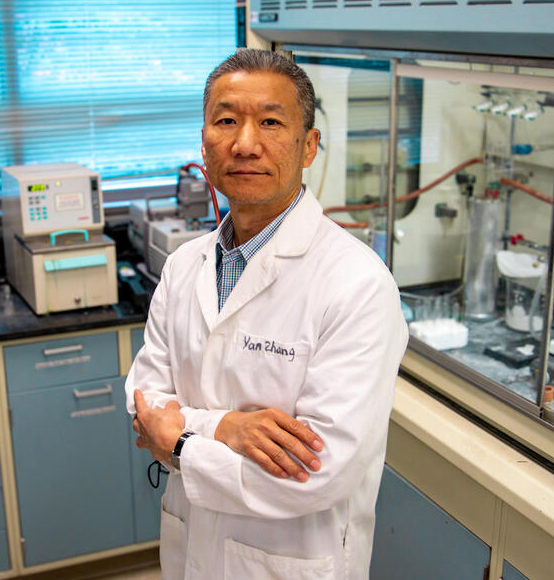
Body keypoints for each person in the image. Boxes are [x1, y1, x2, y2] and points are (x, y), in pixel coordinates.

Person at [126, 48, 408, 580]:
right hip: (191, 550)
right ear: (204, 143)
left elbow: (318, 470)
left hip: (290, 563)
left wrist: (182, 441)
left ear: (309, 147)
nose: (245, 143)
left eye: (271, 122)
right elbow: (144, 403)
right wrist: (228, 429)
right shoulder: (185, 266)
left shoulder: (358, 285)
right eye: (226, 120)